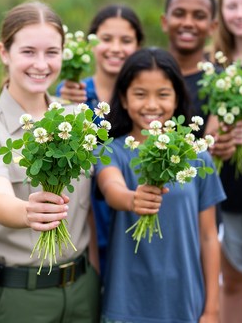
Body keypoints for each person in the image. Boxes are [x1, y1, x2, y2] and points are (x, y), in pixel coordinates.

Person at [0, 0, 100, 323]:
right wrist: (30, 211)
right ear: (3, 52)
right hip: (22, 295)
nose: (41, 64)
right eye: (28, 52)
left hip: (83, 289)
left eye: (52, 52)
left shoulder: (78, 119)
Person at [95, 47, 226, 323]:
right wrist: (133, 199)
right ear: (124, 98)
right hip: (127, 300)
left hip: (185, 299)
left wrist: (212, 309)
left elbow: (208, 236)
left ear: (177, 98)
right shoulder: (112, 151)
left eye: (163, 94)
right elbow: (111, 189)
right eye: (140, 94)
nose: (152, 105)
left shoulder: (197, 156)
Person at [56, 3, 144, 276]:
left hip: (130, 199)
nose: (115, 48)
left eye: (126, 41)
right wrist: (67, 103)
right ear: (92, 43)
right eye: (106, 39)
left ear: (138, 46)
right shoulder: (73, 92)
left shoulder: (143, 97)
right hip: (85, 207)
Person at [213, 0, 242, 323]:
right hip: (231, 196)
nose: (241, 13)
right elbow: (207, 137)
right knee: (234, 283)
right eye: (232, 5)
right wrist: (222, 140)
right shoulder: (215, 66)